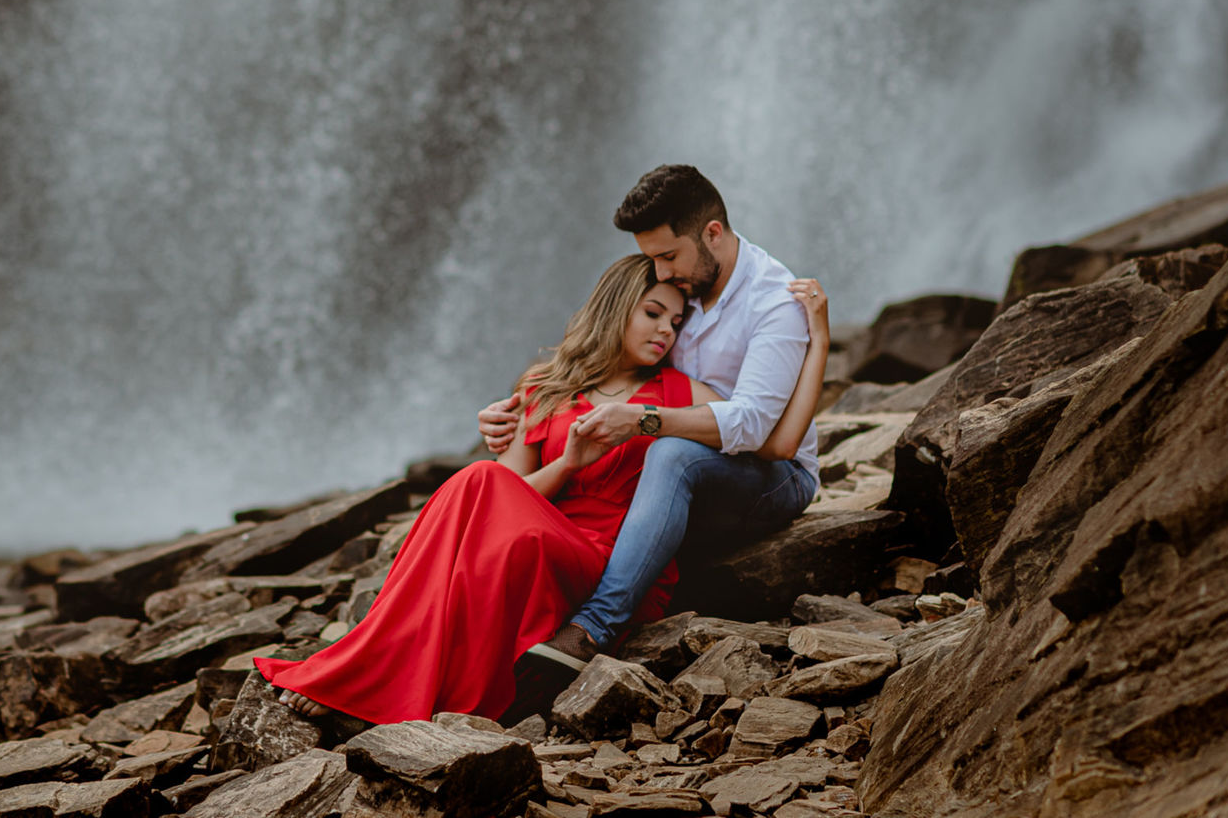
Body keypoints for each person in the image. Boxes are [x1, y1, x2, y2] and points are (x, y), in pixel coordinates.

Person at [256, 251, 830, 726]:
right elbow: (504, 494)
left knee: (491, 510)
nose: (665, 331)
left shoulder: (680, 394)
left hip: (609, 558)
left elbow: (771, 435)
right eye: (653, 313)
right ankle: (381, 670)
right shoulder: (543, 388)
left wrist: (816, 344)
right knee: (483, 486)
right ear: (614, 309)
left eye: (676, 323)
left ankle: (381, 681)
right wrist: (569, 464)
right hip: (541, 530)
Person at [485, 164, 823, 686]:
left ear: (712, 233)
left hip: (770, 476)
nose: (661, 273)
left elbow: (760, 433)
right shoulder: (680, 289)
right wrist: (518, 412)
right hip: (686, 469)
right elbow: (608, 361)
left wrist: (643, 421)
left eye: (668, 256)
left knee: (669, 452)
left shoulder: (774, 303)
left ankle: (596, 626)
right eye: (652, 260)